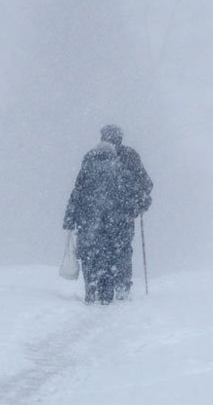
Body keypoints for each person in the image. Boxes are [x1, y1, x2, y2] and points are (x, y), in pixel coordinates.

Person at [63, 125, 152, 304]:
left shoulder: (90, 158)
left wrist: (70, 217)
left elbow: (79, 189)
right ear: (120, 137)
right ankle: (120, 286)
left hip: (90, 217)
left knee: (92, 252)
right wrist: (138, 206)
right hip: (120, 217)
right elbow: (144, 185)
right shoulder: (128, 157)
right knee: (120, 251)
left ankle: (93, 287)